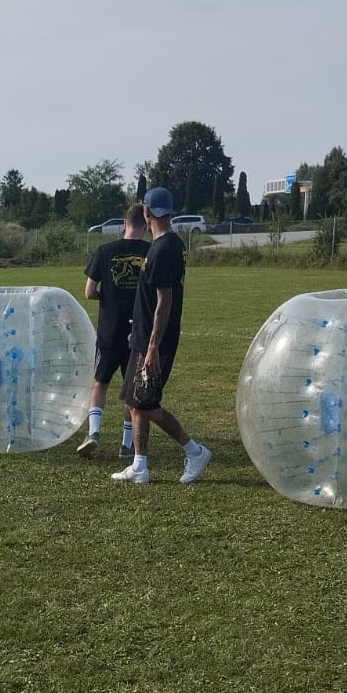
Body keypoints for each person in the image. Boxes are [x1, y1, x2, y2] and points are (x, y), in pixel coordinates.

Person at [111, 187, 211, 485]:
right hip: (141, 335)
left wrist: (152, 347)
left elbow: (164, 302)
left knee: (146, 403)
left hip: (153, 341)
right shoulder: (169, 244)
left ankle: (195, 451)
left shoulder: (163, 249)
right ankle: (140, 465)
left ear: (147, 213)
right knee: (133, 399)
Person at [77, 202, 149, 458]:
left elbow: (88, 292)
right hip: (138, 331)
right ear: (146, 223)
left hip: (109, 328)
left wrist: (107, 297)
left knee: (100, 383)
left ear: (124, 223)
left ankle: (93, 432)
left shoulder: (104, 251)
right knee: (131, 390)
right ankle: (126, 444)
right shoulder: (151, 252)